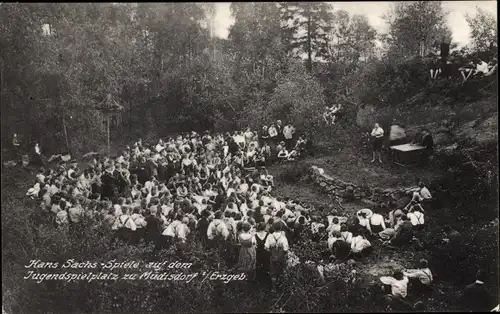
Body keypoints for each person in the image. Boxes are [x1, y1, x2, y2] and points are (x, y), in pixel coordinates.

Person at [265, 222, 289, 291]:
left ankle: (274, 288)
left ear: (273, 228)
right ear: (281, 228)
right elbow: (286, 249)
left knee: (273, 272)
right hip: (281, 256)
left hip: (273, 256)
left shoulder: (270, 236)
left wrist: (271, 250)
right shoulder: (283, 237)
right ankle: (282, 287)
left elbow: (266, 247)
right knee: (282, 270)